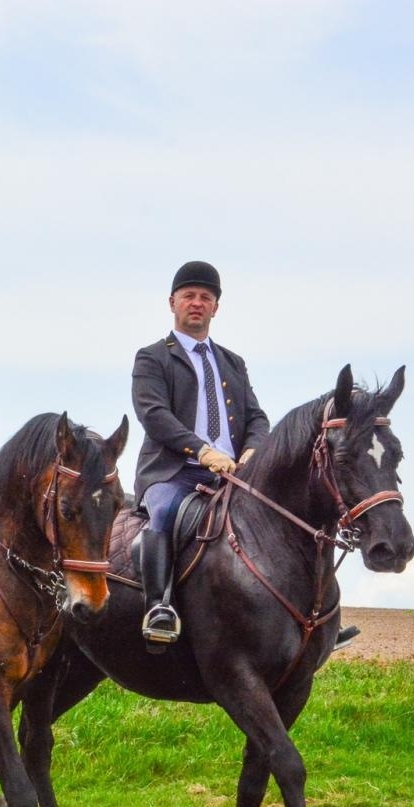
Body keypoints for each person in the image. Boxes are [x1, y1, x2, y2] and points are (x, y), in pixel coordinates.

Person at [131, 260, 269, 650]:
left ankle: (310, 617)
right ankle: (158, 608)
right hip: (174, 472)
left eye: (205, 297)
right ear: (172, 302)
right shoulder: (152, 357)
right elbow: (153, 414)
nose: (197, 303)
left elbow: (257, 417)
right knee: (164, 513)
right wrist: (204, 451)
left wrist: (253, 450)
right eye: (189, 296)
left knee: (288, 516)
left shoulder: (232, 362)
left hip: (233, 474)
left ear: (215, 308)